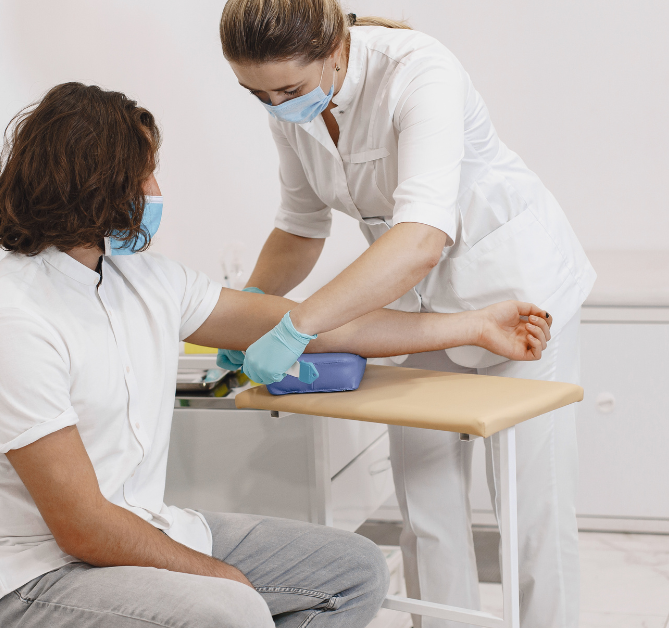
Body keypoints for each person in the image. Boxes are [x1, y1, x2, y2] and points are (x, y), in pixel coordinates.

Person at [0, 82, 554, 628]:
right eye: (144, 178)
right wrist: (221, 578)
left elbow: (319, 327)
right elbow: (83, 528)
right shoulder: (12, 321)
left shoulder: (142, 280)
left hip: (144, 528)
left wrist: (471, 326)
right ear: (93, 187)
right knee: (231, 608)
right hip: (42, 581)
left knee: (355, 570)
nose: (156, 194)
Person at [216, 2, 598, 627]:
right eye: (257, 94)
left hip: (518, 298)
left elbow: (421, 238)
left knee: (533, 510)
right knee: (426, 508)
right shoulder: (289, 103)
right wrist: (246, 309)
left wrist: (295, 326)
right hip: (413, 308)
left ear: (334, 49)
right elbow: (300, 226)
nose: (276, 105)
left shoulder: (420, 72)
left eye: (287, 90)